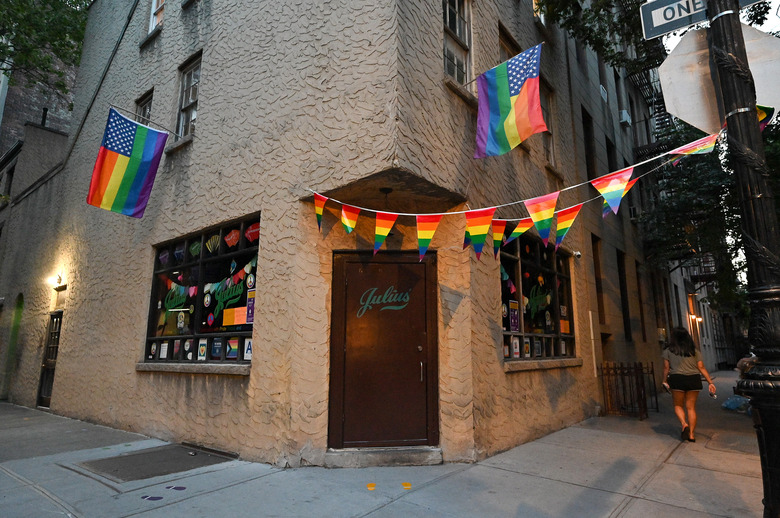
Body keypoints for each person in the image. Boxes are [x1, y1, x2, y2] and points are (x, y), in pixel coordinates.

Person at [661, 327, 716, 442]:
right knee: (691, 408)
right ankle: (691, 434)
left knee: (678, 405)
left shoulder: (668, 351)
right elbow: (701, 367)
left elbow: (666, 368)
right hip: (693, 379)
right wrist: (710, 382)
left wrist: (664, 380)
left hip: (677, 379)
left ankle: (684, 424)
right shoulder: (694, 351)